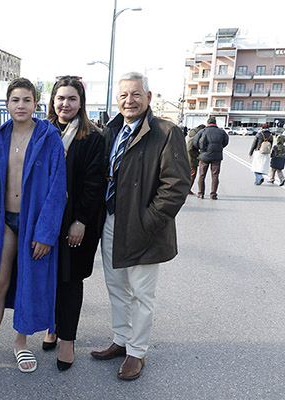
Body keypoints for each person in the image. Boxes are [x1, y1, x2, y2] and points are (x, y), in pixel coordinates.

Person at [0, 78, 66, 389]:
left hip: (34, 222)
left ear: (36, 104)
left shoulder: (48, 137)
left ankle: (21, 342)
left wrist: (46, 233)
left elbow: (58, 188)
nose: (21, 105)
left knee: (28, 281)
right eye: (15, 100)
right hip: (4, 220)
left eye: (26, 100)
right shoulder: (1, 135)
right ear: (6, 104)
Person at [90, 72, 189, 380]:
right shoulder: (112, 129)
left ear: (148, 97)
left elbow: (176, 185)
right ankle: (121, 339)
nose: (129, 101)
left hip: (144, 225)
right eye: (123, 95)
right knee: (116, 286)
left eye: (135, 94)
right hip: (111, 220)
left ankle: (137, 352)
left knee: (142, 294)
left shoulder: (166, 132)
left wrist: (148, 221)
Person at [39, 76, 105, 371]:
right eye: (60, 98)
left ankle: (68, 340)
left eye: (72, 99)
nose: (65, 104)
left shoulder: (92, 137)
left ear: (81, 103)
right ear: (52, 101)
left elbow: (94, 184)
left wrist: (80, 221)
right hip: (46, 218)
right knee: (48, 275)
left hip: (76, 219)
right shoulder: (43, 131)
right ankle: (52, 326)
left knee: (70, 279)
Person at [192, 117, 229, 200]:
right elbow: (226, 142)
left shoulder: (202, 131)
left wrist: (201, 149)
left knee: (202, 175)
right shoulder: (221, 132)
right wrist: (218, 148)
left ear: (207, 123)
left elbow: (195, 142)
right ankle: (213, 195)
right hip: (217, 157)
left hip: (204, 156)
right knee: (215, 175)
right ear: (215, 123)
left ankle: (200, 194)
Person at [186, 124, 204, 195]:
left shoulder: (193, 135)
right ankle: (187, 190)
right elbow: (189, 149)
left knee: (190, 174)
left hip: (190, 158)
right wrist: (197, 155)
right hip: (191, 159)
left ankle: (187, 189)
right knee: (192, 175)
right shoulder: (194, 138)